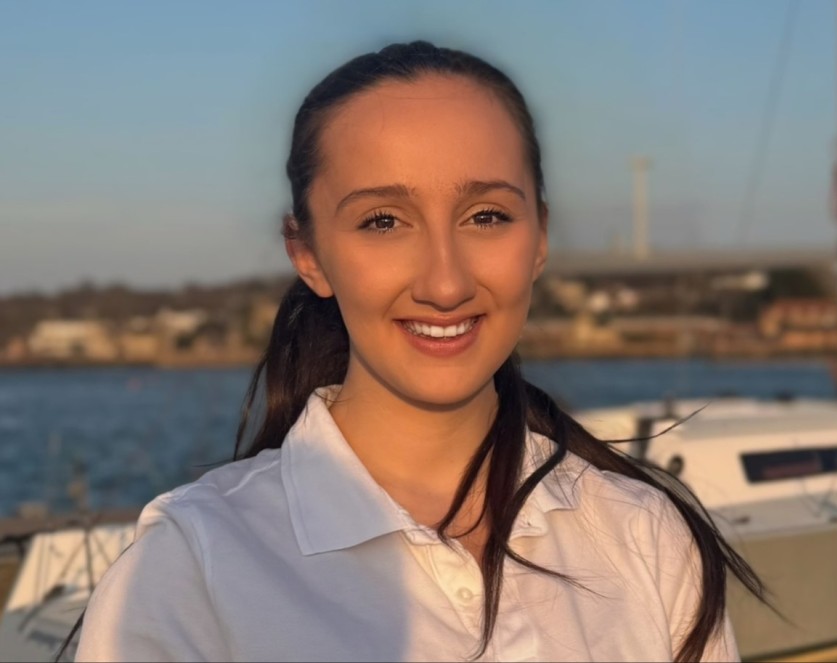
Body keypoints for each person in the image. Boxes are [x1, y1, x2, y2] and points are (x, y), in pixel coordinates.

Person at [73, 41, 763, 662]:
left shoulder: (643, 534)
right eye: (383, 222)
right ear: (308, 253)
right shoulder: (194, 567)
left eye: (486, 216)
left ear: (540, 237)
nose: (445, 283)